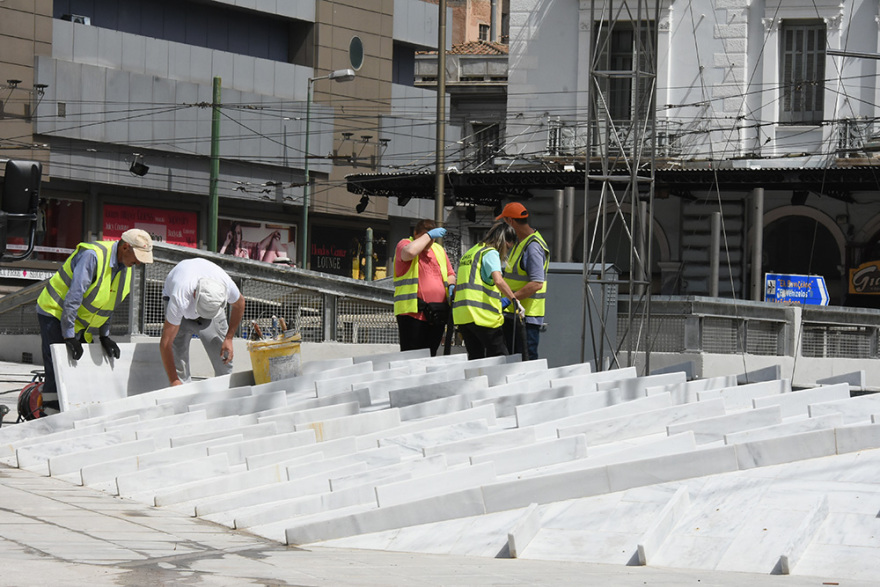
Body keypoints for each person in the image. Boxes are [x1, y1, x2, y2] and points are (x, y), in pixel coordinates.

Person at [36, 228, 154, 411]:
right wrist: (68, 336)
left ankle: (70, 408)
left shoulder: (126, 267)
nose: (138, 262)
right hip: (54, 310)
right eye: (137, 256)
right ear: (125, 247)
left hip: (77, 319)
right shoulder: (93, 256)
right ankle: (50, 411)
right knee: (57, 363)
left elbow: (108, 303)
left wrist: (104, 336)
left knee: (76, 366)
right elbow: (74, 297)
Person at [159, 258, 245, 386]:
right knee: (178, 355)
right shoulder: (180, 298)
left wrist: (229, 338)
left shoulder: (225, 286)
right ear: (195, 295)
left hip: (210, 301)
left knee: (223, 356)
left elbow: (240, 303)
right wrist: (174, 380)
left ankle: (225, 389)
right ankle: (182, 391)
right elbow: (165, 344)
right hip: (181, 306)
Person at [452, 221, 523, 360]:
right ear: (503, 241)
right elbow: (498, 280)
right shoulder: (490, 253)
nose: (506, 252)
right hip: (482, 316)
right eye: (508, 248)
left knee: (476, 359)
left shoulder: (471, 253)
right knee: (499, 357)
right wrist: (514, 300)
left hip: (463, 316)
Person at [393, 219, 456, 356]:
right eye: (425, 237)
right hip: (413, 313)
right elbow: (409, 253)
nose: (428, 242)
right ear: (415, 234)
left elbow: (450, 273)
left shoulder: (438, 250)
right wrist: (428, 236)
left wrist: (451, 285)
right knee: (412, 355)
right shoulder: (405, 244)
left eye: (432, 239)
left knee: (431, 354)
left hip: (436, 313)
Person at [497, 202, 549, 360]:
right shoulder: (522, 244)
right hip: (515, 316)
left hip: (526, 317)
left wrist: (509, 299)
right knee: (514, 361)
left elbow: (536, 283)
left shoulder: (532, 247)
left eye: (504, 222)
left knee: (526, 362)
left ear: (511, 222)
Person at [220, 222, 284, 263]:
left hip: (260, 267)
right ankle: (289, 263)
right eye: (234, 233)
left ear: (241, 235)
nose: (237, 237)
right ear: (231, 235)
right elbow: (219, 260)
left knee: (274, 241)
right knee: (274, 242)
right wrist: (226, 242)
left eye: (238, 233)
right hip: (258, 272)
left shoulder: (244, 247)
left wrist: (272, 234)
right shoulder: (228, 251)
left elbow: (259, 246)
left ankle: (288, 263)